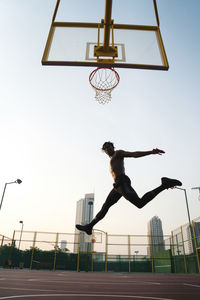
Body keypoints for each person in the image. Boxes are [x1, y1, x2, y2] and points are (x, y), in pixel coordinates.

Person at [76, 142, 182, 235]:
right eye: (105, 148)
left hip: (122, 182)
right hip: (117, 186)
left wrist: (151, 152)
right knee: (106, 206)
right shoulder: (112, 159)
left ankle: (164, 185)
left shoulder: (118, 153)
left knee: (140, 203)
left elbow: (133, 154)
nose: (108, 149)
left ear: (113, 147)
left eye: (109, 147)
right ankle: (89, 226)